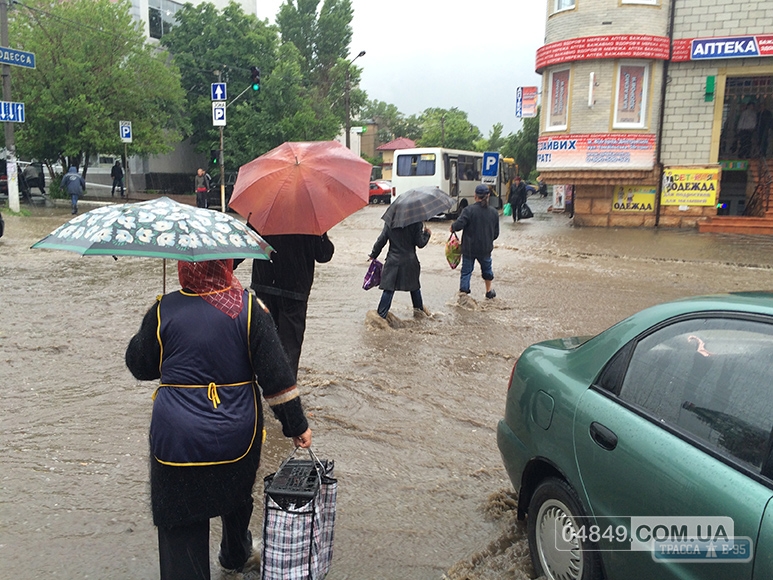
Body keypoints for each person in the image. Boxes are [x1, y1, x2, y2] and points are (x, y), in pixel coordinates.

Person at [125, 259, 312, 580]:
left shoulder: (164, 309)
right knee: (236, 496)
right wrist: (297, 426)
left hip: (176, 440)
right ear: (226, 265)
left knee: (180, 519)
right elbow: (277, 377)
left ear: (184, 267)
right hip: (236, 435)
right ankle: (235, 557)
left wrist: (156, 319)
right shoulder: (251, 309)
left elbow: (140, 366)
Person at [250, 233, 335, 379]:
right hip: (294, 290)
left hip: (264, 285)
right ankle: (285, 393)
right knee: (290, 346)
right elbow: (324, 255)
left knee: (264, 340)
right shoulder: (309, 220)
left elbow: (247, 242)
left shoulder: (263, 214)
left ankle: (263, 386)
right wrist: (323, 234)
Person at [368, 219, 431, 324]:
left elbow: (381, 240)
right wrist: (427, 234)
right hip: (410, 261)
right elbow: (420, 243)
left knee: (389, 289)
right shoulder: (416, 222)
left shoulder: (390, 221)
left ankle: (380, 318)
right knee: (414, 288)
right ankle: (420, 315)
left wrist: (373, 254)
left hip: (393, 261)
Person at [451, 184, 499, 299]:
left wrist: (452, 227)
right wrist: (487, 239)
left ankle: (464, 294)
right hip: (485, 248)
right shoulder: (493, 212)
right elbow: (496, 234)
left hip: (469, 249)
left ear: (475, 196)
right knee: (487, 270)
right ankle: (488, 292)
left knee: (466, 271)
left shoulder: (469, 210)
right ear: (488, 196)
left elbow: (458, 225)